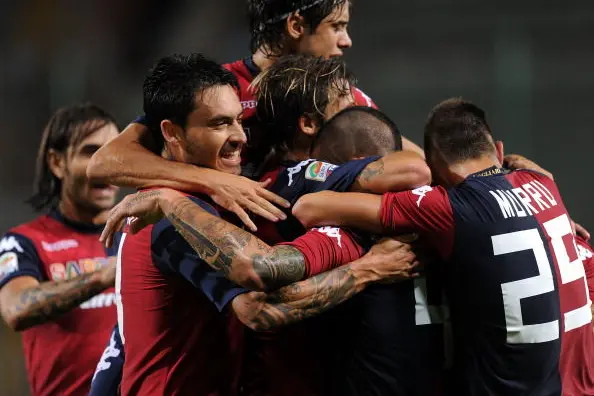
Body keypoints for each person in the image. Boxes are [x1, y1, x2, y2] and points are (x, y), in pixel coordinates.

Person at [111, 53, 419, 396]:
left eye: (239, 121)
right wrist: (370, 269)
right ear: (172, 133)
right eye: (218, 124)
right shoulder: (172, 217)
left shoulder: (200, 198)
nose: (240, 136)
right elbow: (259, 303)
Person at [292, 98, 594, 395]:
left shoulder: (447, 208)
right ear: (499, 151)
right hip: (575, 375)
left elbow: (310, 207)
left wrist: (311, 174)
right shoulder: (541, 183)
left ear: (434, 174)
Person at [86, 0, 425, 230]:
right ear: (296, 25)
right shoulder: (215, 91)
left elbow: (411, 161)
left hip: (297, 252)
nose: (346, 41)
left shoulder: (333, 94)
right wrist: (213, 180)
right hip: (215, 257)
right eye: (336, 26)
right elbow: (106, 161)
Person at [0, 103, 120, 396]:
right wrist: (105, 275)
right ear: (57, 163)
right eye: (90, 152)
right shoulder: (23, 241)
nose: (105, 165)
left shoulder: (140, 234)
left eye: (113, 152)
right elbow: (17, 309)